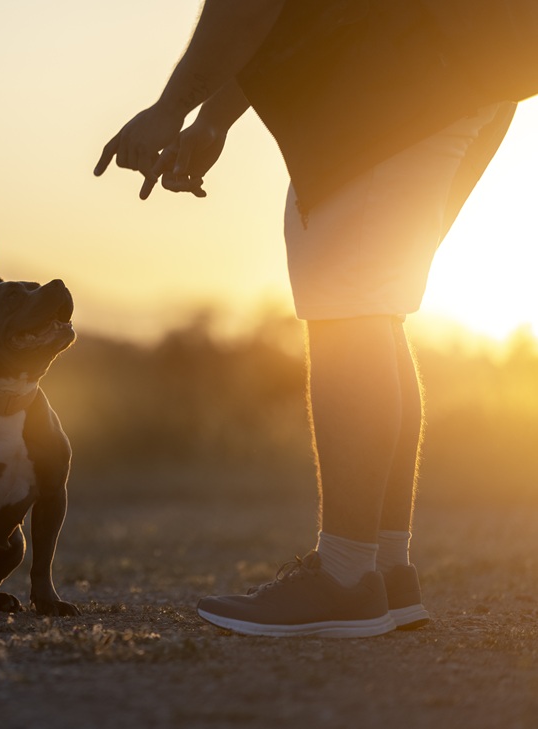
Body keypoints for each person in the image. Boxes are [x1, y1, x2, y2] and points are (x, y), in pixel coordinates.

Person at [95, 0, 530, 637]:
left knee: (349, 307)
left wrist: (170, 107)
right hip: (461, 69)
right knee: (373, 307)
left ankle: (346, 579)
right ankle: (384, 568)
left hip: (405, 73)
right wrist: (213, 118)